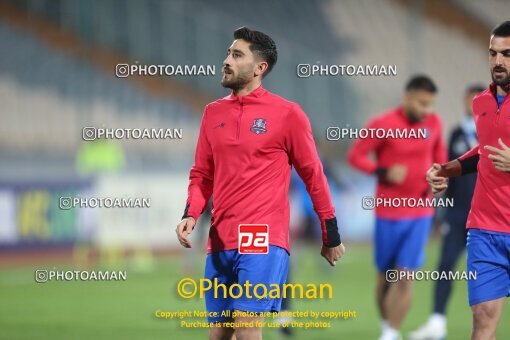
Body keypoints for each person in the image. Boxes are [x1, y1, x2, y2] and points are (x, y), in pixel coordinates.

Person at [175, 26, 345, 340]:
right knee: (219, 334)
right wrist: (191, 214)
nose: (226, 60)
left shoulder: (288, 115)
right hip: (220, 237)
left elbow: (314, 175)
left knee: (247, 327)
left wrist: (330, 232)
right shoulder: (212, 113)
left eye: (237, 55)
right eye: (228, 52)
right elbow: (201, 175)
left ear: (259, 68)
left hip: (261, 235)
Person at [426, 21, 510, 340]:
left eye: (507, 54)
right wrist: (447, 169)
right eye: (493, 53)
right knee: (483, 317)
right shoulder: (481, 103)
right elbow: (483, 151)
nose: (498, 61)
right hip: (485, 229)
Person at [348, 75, 447, 340]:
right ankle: (386, 326)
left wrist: (441, 178)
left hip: (420, 212)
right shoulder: (383, 124)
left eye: (431, 105)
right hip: (388, 213)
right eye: (422, 104)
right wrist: (382, 171)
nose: (427, 110)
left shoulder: (434, 123)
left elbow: (441, 159)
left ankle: (391, 333)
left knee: (405, 275)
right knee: (385, 277)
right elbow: (355, 156)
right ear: (407, 98)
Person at [409, 84, 484, 340]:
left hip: (488, 215)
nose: (470, 104)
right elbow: (445, 171)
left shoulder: (495, 133)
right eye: (468, 100)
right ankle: (437, 323)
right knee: (445, 266)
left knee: (490, 271)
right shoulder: (456, 134)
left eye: (475, 99)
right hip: (458, 212)